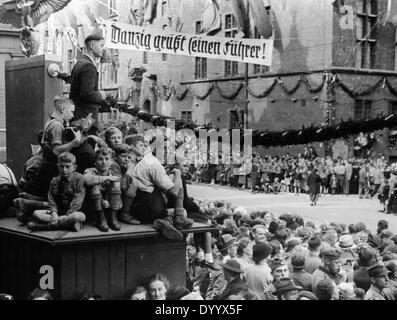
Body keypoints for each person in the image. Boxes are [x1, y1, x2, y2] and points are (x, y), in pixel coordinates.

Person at [129, 135, 193, 240]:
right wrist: (177, 173)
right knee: (177, 179)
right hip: (149, 209)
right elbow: (174, 192)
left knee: (172, 178)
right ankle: (175, 219)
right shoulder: (154, 164)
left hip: (139, 207)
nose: (168, 151)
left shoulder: (148, 159)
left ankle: (167, 220)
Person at [27, 153, 86, 232]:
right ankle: (69, 224)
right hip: (59, 213)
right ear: (58, 166)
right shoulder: (54, 181)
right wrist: (54, 213)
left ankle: (45, 226)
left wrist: (66, 216)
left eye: (67, 167)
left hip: (75, 212)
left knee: (76, 217)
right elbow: (51, 200)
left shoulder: (79, 179)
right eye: (61, 166)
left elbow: (77, 201)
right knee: (36, 214)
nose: (64, 170)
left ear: (74, 168)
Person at [69, 34, 108, 130]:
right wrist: (101, 95)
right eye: (101, 45)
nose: (103, 49)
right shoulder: (88, 66)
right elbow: (87, 94)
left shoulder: (79, 63)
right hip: (87, 119)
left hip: (78, 116)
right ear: (92, 46)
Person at [84, 148, 122, 232]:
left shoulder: (114, 175)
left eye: (107, 159)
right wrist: (107, 178)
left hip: (109, 209)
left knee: (116, 183)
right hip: (94, 209)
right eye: (100, 159)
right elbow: (87, 180)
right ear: (95, 162)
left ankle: (113, 218)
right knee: (94, 186)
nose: (104, 162)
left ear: (111, 162)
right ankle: (100, 219)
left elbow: (119, 200)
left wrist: (109, 202)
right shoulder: (90, 171)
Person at [110, 144, 140, 225]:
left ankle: (127, 212)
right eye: (123, 156)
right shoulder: (113, 165)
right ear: (115, 156)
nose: (126, 159)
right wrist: (129, 170)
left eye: (128, 157)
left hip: (116, 193)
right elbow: (121, 186)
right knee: (134, 184)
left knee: (135, 182)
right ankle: (124, 213)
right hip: (110, 194)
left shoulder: (120, 164)